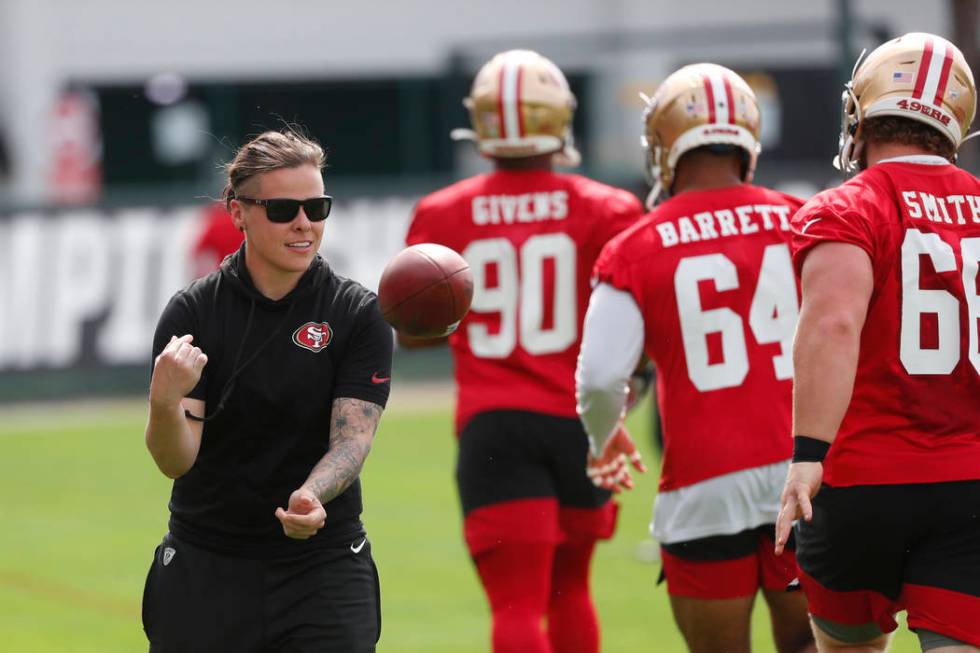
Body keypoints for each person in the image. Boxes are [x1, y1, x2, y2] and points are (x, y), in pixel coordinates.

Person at [403, 49, 645, 653]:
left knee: (515, 603)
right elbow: (639, 331)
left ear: (481, 123)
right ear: (558, 119)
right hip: (581, 420)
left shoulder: (442, 212)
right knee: (573, 588)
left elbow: (412, 333)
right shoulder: (609, 208)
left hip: (495, 424)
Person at [576, 64, 815, 653]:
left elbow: (602, 376)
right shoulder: (807, 219)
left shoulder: (635, 245)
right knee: (813, 645)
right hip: (807, 473)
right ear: (748, 141)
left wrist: (604, 436)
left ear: (662, 147)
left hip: (703, 484)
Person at [142, 129, 393, 652]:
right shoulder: (193, 313)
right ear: (238, 212)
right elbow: (175, 461)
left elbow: (351, 441)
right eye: (283, 209)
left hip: (321, 567)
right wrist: (164, 401)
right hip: (207, 562)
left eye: (317, 207)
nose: (304, 224)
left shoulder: (355, 313)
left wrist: (311, 494)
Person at [775, 32, 980, 652]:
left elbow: (834, 324)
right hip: (970, 477)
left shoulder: (848, 206)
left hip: (863, 479)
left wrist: (807, 455)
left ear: (862, 114)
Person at [191, 202, 244, 276]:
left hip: (226, 275)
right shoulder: (243, 221)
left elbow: (197, 251)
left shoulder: (215, 223)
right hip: (248, 273)